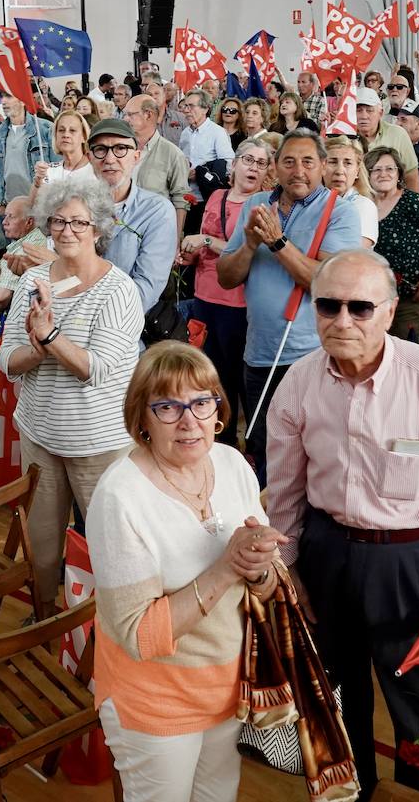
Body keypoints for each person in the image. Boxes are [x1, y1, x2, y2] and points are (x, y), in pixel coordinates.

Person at [266, 249, 419, 800]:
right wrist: (290, 570)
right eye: (328, 306)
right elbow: (283, 492)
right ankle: (352, 791)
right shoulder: (299, 383)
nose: (343, 320)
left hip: (413, 563)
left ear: (391, 309)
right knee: (338, 693)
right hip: (328, 555)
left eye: (360, 307)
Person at [88, 342, 283, 802]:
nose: (188, 419)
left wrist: (258, 570)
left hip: (230, 688)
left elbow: (267, 584)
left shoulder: (233, 465)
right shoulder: (120, 497)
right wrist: (228, 567)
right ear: (142, 419)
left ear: (218, 410)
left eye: (201, 402)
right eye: (167, 406)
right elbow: (139, 635)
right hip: (156, 700)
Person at [0, 179, 143, 612]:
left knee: (107, 549)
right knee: (41, 545)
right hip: (39, 435)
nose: (66, 230)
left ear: (98, 229)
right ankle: (43, 618)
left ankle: (107, 634)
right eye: (58, 220)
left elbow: (95, 370)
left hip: (98, 445)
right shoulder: (34, 279)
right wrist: (39, 345)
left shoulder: (119, 290)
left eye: (79, 222)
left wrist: (49, 334)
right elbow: (7, 361)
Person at [216, 129, 362, 484]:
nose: (299, 170)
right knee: (266, 450)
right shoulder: (256, 204)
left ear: (323, 166)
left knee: (315, 455)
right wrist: (250, 245)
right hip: (259, 354)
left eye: (308, 162)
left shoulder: (341, 212)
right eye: (289, 162)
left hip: (312, 357)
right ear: (275, 168)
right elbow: (225, 276)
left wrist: (277, 241)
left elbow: (326, 282)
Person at [178, 139, 271, 446]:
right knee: (213, 380)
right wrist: (189, 252)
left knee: (242, 380)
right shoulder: (217, 195)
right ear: (234, 165)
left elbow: (248, 252)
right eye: (248, 160)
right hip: (205, 301)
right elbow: (205, 245)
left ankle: (254, 450)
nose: (253, 167)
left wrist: (204, 241)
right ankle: (222, 443)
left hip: (241, 305)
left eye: (261, 163)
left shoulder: (265, 205)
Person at [88, 119, 178, 314]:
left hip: (123, 332)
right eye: (101, 149)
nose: (110, 159)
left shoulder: (157, 211)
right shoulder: (74, 205)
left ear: (136, 156)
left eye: (120, 148)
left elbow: (144, 293)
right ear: (89, 157)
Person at [365, 146, 419, 342]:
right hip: (371, 297)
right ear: (367, 174)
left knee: (402, 352)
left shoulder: (413, 202)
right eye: (376, 169)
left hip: (409, 297)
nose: (384, 174)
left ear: (398, 173)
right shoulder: (364, 205)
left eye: (390, 168)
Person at [121, 95, 191, 233]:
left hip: (155, 232)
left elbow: (180, 200)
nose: (125, 119)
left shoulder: (173, 154)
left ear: (148, 115)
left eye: (130, 114)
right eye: (125, 114)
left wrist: (175, 240)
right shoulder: (119, 148)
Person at [0, 94, 57, 212]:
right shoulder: (0, 132)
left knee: (37, 231)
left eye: (8, 96)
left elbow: (58, 170)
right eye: (1, 97)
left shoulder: (45, 128)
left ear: (23, 101)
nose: (3, 101)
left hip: (40, 206)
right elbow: (1, 172)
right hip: (10, 206)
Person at [0, 195, 47, 315]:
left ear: (29, 222)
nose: (4, 222)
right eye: (5, 216)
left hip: (8, 315)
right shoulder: (23, 240)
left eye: (11, 217)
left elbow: (1, 297)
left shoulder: (29, 248)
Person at [355, 89, 419, 192]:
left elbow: (411, 175)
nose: (364, 116)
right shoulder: (344, 137)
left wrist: (414, 206)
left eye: (369, 110)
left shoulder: (398, 134)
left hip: (391, 201)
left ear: (380, 113)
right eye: (358, 110)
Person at [323, 135, 377, 248]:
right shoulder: (309, 202)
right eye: (332, 162)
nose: (340, 171)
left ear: (357, 170)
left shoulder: (364, 206)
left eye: (347, 163)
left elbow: (352, 256)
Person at [29, 110, 96, 200]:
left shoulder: (96, 169)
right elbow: (33, 207)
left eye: (72, 130)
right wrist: (37, 183)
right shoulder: (48, 171)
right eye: (61, 130)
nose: (66, 135)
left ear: (83, 137)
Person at [177, 90, 235, 176]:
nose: (186, 110)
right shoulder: (185, 133)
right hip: (184, 186)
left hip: (208, 188)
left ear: (205, 109)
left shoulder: (218, 133)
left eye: (191, 106)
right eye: (185, 106)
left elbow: (228, 164)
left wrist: (203, 175)